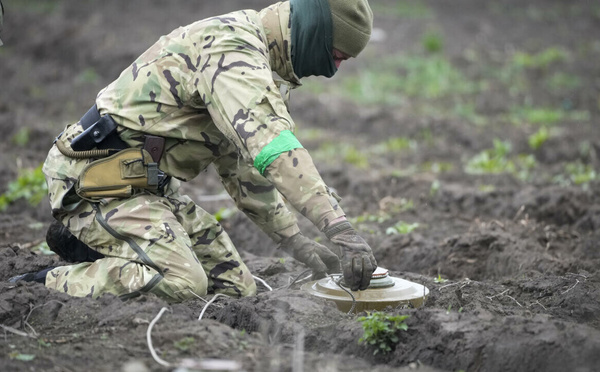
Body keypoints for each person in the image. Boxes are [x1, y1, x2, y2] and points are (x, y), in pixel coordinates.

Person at [11, 0, 377, 302]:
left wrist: (294, 240)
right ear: (314, 33)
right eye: (336, 55)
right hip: (96, 183)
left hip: (147, 187)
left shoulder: (261, 66)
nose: (335, 69)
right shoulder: (232, 52)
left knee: (236, 290)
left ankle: (104, 246)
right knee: (183, 283)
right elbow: (273, 147)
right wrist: (339, 228)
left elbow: (245, 168)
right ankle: (46, 283)